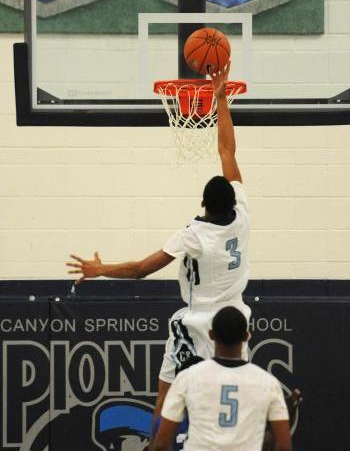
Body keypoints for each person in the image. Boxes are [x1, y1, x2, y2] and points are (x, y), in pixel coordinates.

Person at [66, 63, 251, 434]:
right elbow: (227, 148)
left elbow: (139, 270)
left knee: (166, 397)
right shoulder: (243, 212)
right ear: (232, 198)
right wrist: (220, 100)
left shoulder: (194, 234)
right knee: (232, 399)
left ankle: (158, 443)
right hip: (236, 319)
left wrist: (100, 270)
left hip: (199, 321)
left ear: (203, 204)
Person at [153, 307, 292, 451]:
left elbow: (162, 444)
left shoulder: (187, 378)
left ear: (211, 335)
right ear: (246, 336)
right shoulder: (267, 382)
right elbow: (283, 446)